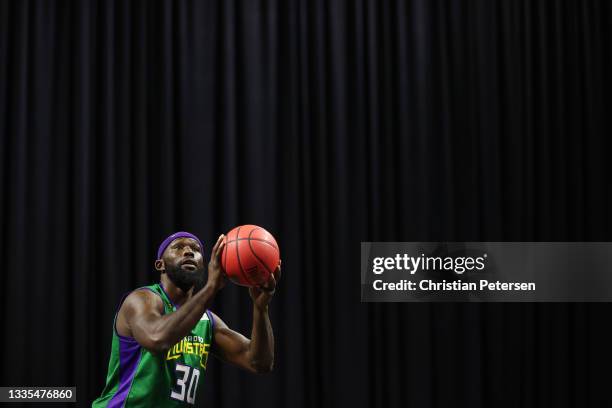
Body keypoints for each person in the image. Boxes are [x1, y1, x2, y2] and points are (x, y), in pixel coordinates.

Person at [92, 231, 280, 407]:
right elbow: (157, 338)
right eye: (178, 247)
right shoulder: (142, 300)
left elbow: (259, 362)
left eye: (196, 249)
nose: (189, 251)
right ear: (160, 265)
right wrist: (211, 287)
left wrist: (260, 308)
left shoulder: (206, 321)